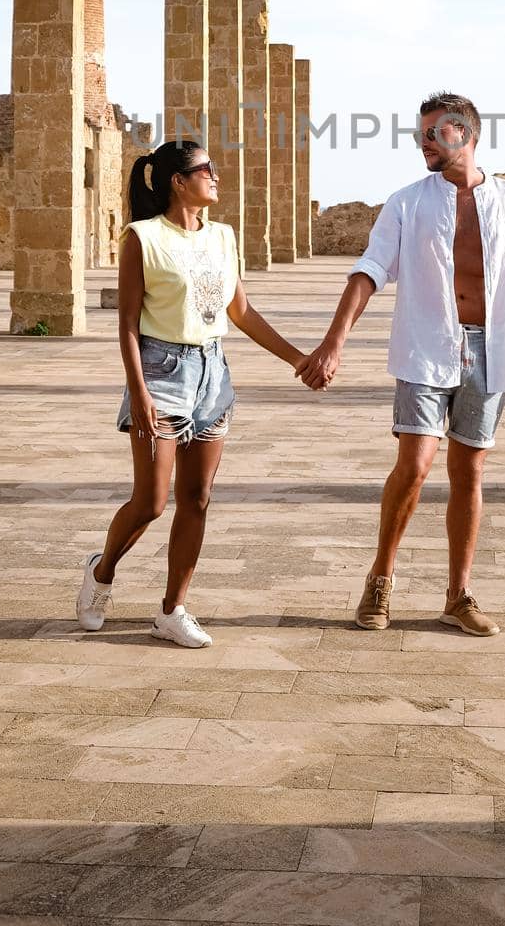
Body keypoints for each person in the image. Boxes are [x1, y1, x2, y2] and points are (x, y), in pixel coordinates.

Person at [299, 91, 505, 637]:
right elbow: (369, 270)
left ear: (464, 133)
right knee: (414, 467)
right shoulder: (407, 202)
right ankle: (381, 577)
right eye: (422, 134)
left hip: (492, 348)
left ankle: (458, 594)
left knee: (469, 473)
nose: (425, 143)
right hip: (425, 345)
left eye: (434, 133)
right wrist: (333, 343)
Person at [76, 138, 313, 647]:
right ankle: (102, 572)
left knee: (197, 499)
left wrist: (298, 358)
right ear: (178, 181)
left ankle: (172, 610)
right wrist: (138, 391)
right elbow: (127, 324)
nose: (216, 175)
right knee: (152, 501)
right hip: (161, 372)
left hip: (213, 375)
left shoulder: (223, 237)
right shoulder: (143, 237)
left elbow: (241, 312)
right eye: (207, 168)